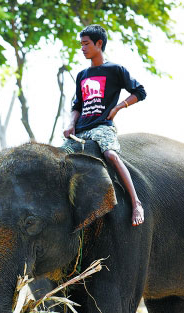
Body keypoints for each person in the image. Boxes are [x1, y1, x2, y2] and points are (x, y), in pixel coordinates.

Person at [63, 24, 146, 226]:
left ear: (99, 44)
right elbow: (77, 105)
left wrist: (118, 108)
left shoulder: (115, 70)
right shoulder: (82, 75)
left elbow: (140, 92)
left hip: (102, 127)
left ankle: (136, 203)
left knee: (110, 155)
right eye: (81, 44)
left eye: (86, 44)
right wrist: (71, 123)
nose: (82, 48)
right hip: (82, 130)